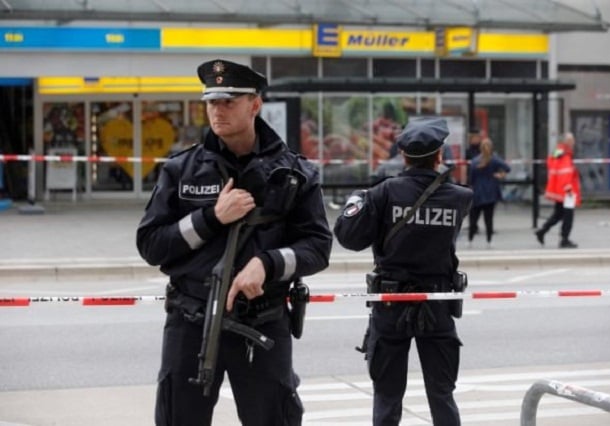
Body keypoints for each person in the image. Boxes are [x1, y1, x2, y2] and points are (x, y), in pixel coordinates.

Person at [136, 59, 333, 426]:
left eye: (229, 101)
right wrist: (210, 218)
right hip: (190, 322)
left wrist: (268, 263)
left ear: (255, 105)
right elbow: (151, 244)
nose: (218, 109)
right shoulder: (181, 169)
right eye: (212, 101)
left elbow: (318, 246)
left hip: (262, 323)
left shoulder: (294, 173)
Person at [333, 117, 473, 426]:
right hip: (437, 305)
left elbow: (348, 238)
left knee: (387, 397)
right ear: (440, 155)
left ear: (403, 155)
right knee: (442, 396)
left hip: (390, 305)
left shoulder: (383, 194)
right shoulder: (461, 198)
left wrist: (357, 199)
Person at [535, 132, 581, 248]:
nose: (574, 142)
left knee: (558, 214)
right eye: (572, 140)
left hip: (559, 190)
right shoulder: (565, 155)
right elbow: (565, 174)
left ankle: (542, 230)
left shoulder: (557, 152)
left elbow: (555, 168)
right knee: (568, 216)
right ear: (567, 142)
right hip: (567, 191)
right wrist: (569, 190)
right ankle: (564, 239)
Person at [467, 138, 511, 248]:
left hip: (477, 193)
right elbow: (507, 168)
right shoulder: (495, 159)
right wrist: (499, 175)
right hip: (491, 193)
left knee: (474, 218)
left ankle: (470, 240)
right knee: (489, 219)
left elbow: (471, 179)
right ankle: (489, 241)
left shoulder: (474, 161)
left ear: (480, 148)